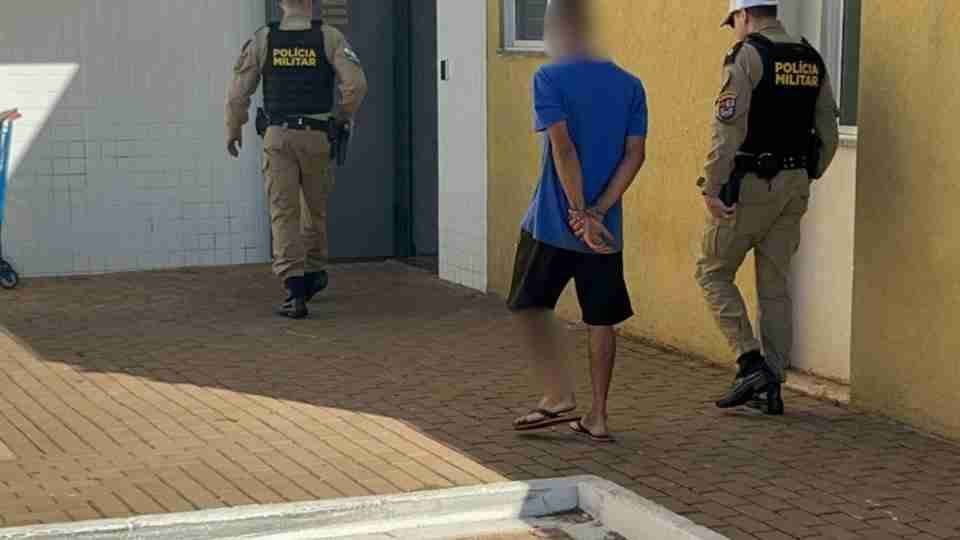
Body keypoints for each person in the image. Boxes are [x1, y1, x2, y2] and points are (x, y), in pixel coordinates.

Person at [507, 0, 648, 443]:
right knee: (601, 319)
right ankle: (598, 417)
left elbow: (563, 148)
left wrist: (578, 213)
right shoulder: (631, 85)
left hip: (553, 222)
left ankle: (558, 395)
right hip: (605, 231)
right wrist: (599, 212)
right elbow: (635, 154)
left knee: (528, 305)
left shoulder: (549, 78)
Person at [696, 0, 839, 414]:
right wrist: (807, 174)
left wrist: (712, 186)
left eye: (733, 22)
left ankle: (750, 363)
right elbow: (828, 131)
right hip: (794, 187)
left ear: (743, 15)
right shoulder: (810, 56)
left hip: (751, 186)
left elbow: (727, 130)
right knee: (775, 286)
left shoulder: (747, 56)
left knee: (712, 272)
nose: (734, 30)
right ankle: (772, 384)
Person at [226, 0, 367, 319]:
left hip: (278, 137)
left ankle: (294, 289)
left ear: (280, 3)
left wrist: (234, 128)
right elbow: (356, 85)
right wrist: (342, 116)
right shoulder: (329, 36)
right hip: (317, 135)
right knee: (314, 208)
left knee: (284, 211)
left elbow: (238, 93)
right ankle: (314, 271)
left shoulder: (264, 38)